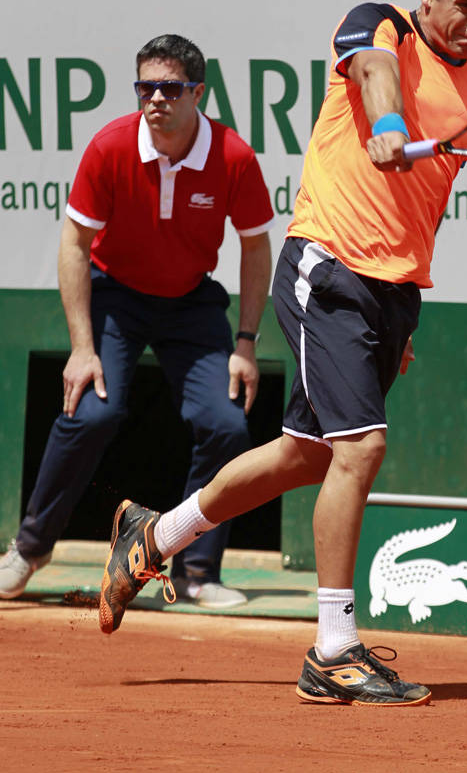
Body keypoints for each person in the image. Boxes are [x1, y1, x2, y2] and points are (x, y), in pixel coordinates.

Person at [98, 0, 467, 706]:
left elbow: (428, 203)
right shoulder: (379, 24)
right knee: (361, 448)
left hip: (393, 289)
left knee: (306, 455)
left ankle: (155, 535)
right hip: (329, 268)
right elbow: (375, 74)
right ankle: (333, 648)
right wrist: (388, 126)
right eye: (465, 6)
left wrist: (404, 311)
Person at [0, 34, 274, 609]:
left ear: (198, 92)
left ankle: (197, 571)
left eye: (170, 88)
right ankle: (28, 550)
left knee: (226, 425)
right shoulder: (110, 147)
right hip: (116, 298)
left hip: (192, 303)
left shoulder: (233, 157)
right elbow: (75, 244)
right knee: (91, 412)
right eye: (145, 88)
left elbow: (255, 247)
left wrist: (246, 343)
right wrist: (82, 347)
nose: (155, 99)